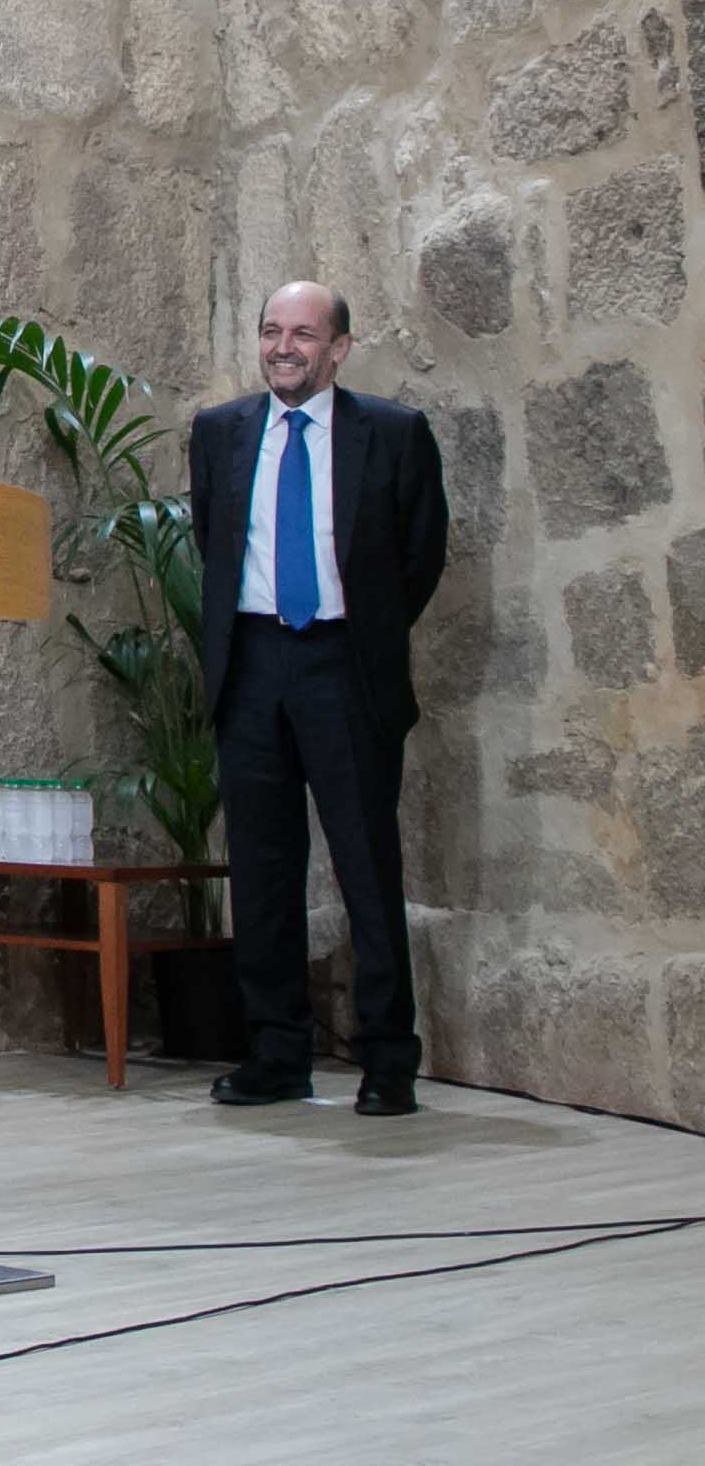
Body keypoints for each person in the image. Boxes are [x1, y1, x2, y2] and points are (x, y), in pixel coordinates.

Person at [189, 282, 448, 1118]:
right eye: (271, 332)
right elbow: (213, 542)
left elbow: (420, 553)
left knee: (367, 867)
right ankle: (276, 1054)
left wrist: (363, 631)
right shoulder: (221, 432)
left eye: (303, 333)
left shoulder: (394, 433)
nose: (283, 347)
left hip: (345, 666)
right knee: (263, 872)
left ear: (338, 347)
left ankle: (387, 1060)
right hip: (253, 663)